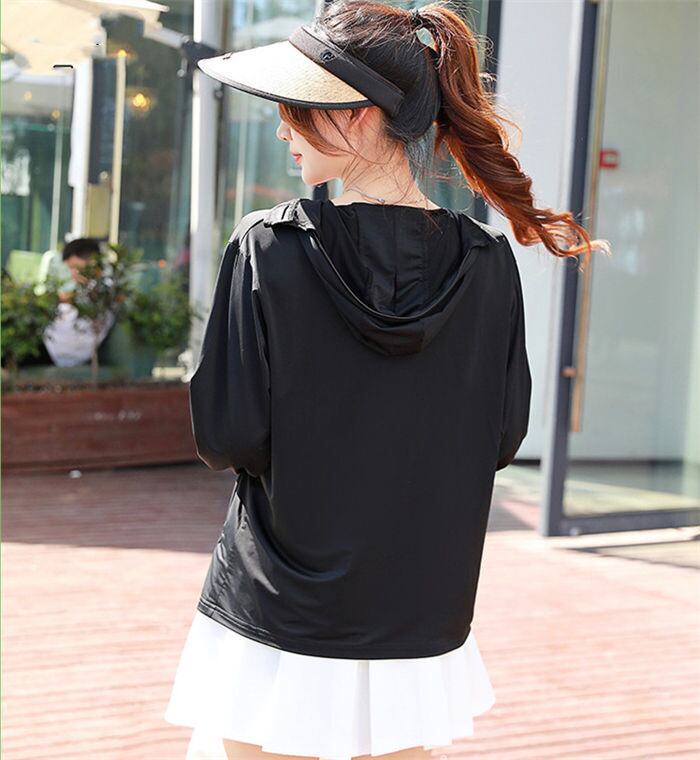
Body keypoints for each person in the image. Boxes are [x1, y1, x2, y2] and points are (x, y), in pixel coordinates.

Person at [164, 3, 607, 759]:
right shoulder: (488, 263)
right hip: (420, 602)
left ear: (359, 116)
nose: (282, 130)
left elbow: (227, 435)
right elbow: (502, 436)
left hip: (281, 595)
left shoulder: (269, 247)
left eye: (297, 110)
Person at [39, 238, 115, 368]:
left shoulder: (104, 287)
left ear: (92, 261)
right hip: (53, 343)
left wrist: (65, 299)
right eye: (70, 268)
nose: (73, 273)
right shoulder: (84, 287)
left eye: (75, 267)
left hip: (66, 350)